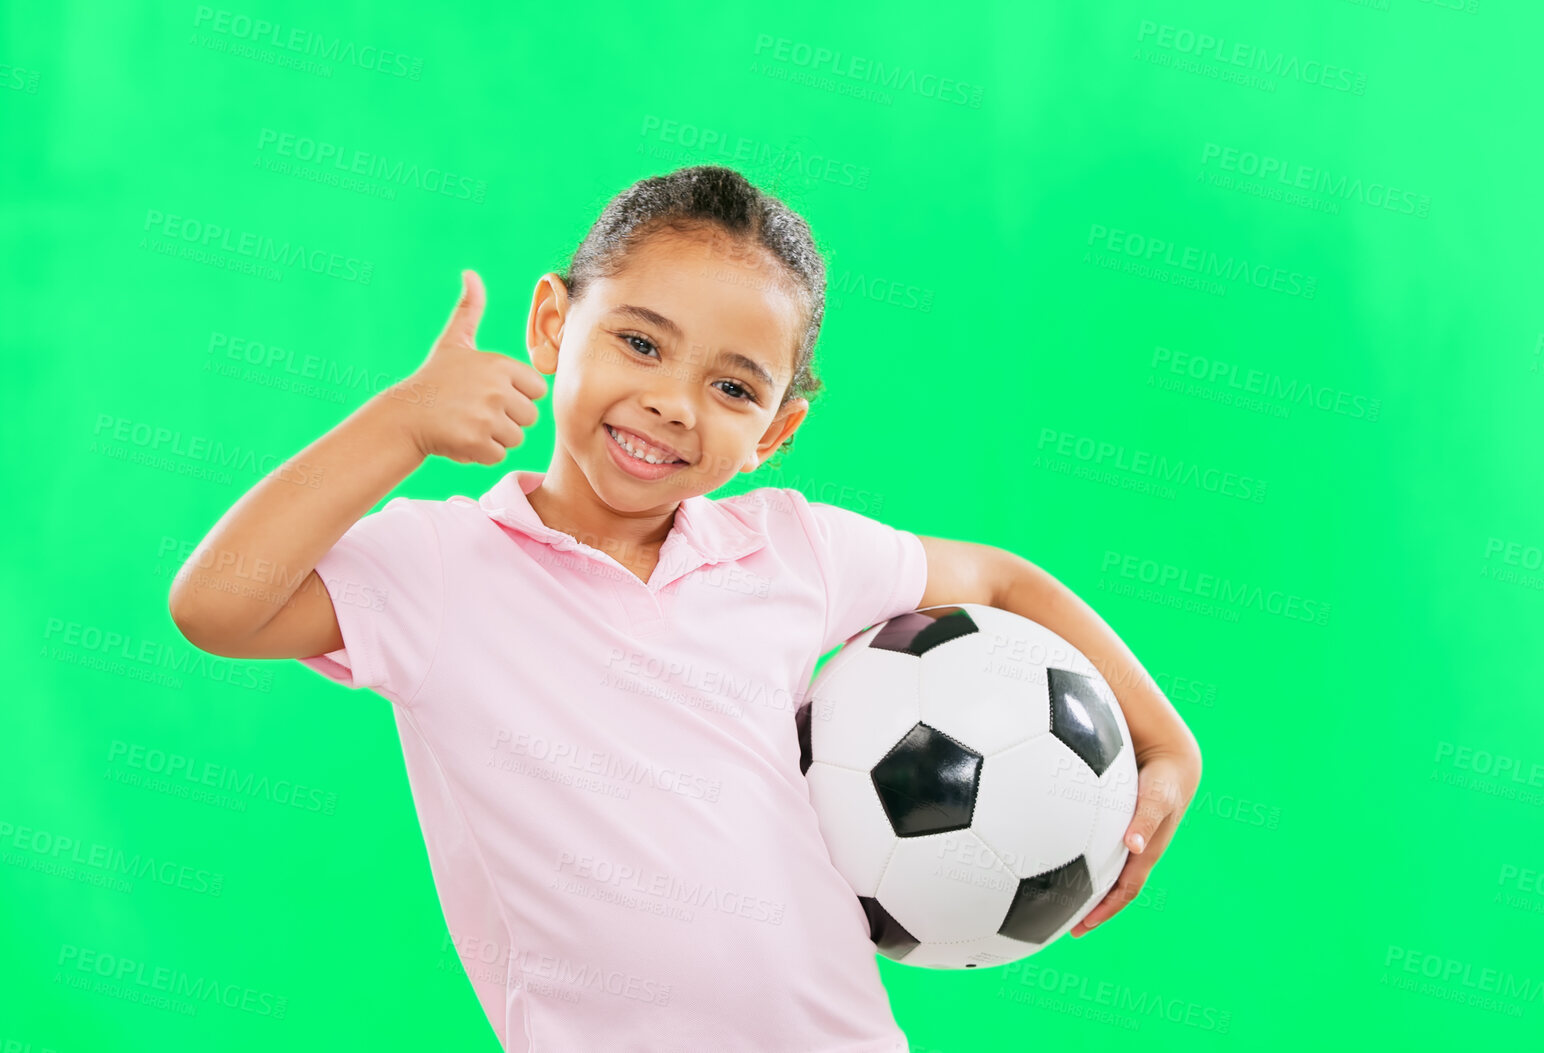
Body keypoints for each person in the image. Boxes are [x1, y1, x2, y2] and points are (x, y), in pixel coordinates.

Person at [168, 165, 1202, 1052]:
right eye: (642, 344)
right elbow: (216, 608)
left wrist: (1167, 748)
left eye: (734, 389)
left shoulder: (787, 548)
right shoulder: (439, 567)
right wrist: (397, 426)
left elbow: (1000, 581)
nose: (673, 403)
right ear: (551, 324)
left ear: (778, 430)